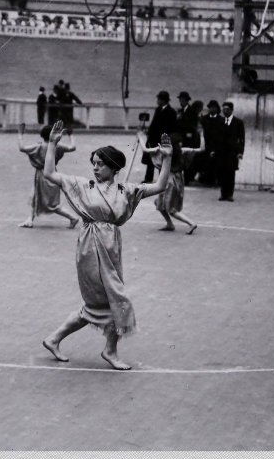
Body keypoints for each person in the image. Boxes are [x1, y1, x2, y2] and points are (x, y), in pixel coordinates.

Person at [40, 122, 174, 370]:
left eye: (100, 164)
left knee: (100, 304)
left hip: (111, 247)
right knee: (116, 300)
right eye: (94, 163)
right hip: (90, 247)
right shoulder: (83, 185)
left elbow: (159, 186)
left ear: (114, 168)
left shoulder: (126, 190)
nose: (95, 167)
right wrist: (52, 143)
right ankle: (110, 351)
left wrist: (166, 159)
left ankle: (54, 338)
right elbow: (50, 174)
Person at [18, 124, 79, 228]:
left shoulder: (40, 146)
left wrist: (20, 134)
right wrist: (71, 135)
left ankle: (73, 217)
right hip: (52, 173)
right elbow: (72, 147)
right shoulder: (57, 146)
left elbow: (22, 148)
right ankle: (30, 219)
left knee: (51, 204)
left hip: (43, 175)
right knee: (34, 196)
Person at [139, 131, 199, 233]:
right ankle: (170, 224)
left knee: (170, 208)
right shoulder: (182, 151)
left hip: (169, 181)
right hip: (178, 180)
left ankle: (191, 223)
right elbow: (200, 150)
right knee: (159, 202)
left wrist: (140, 137)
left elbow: (145, 150)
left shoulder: (162, 151)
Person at [143, 91, 178, 182]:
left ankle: (161, 179)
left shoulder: (171, 112)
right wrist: (149, 132)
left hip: (162, 139)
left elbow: (171, 127)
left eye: (159, 99)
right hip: (153, 138)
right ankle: (148, 178)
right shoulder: (158, 109)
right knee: (151, 159)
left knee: (161, 160)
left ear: (163, 100)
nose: (158, 101)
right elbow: (154, 123)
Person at [214, 101, 245, 201]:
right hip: (221, 152)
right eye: (224, 109)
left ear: (232, 110)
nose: (225, 111)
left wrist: (240, 152)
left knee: (230, 173)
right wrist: (214, 150)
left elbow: (242, 138)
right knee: (222, 172)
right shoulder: (219, 122)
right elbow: (216, 137)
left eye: (227, 109)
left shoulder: (238, 122)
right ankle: (223, 194)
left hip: (232, 152)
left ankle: (230, 194)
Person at [195, 100, 224, 186]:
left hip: (216, 145)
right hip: (205, 144)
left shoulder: (221, 120)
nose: (211, 109)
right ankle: (206, 180)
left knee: (216, 163)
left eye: (213, 107)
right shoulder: (204, 119)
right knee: (205, 162)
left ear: (217, 109)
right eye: (210, 107)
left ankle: (215, 180)